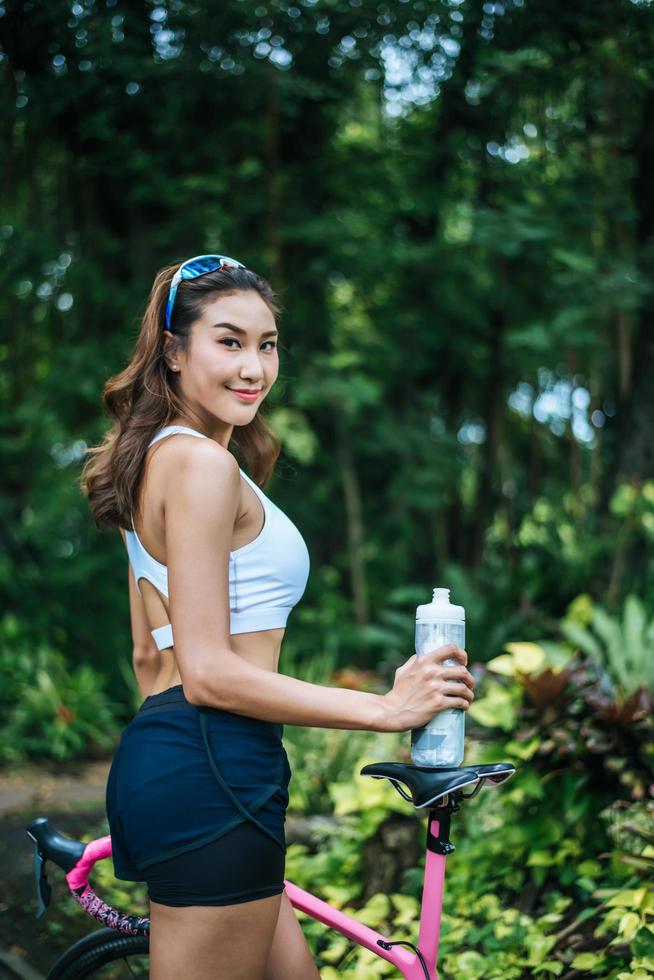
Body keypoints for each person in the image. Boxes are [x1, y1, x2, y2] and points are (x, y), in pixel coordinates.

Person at [80, 254, 475, 980]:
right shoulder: (200, 466)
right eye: (228, 341)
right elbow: (207, 673)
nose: (254, 366)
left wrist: (180, 763)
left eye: (267, 344)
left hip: (192, 759)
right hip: (213, 761)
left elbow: (149, 656)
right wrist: (386, 708)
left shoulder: (155, 461)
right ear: (173, 351)